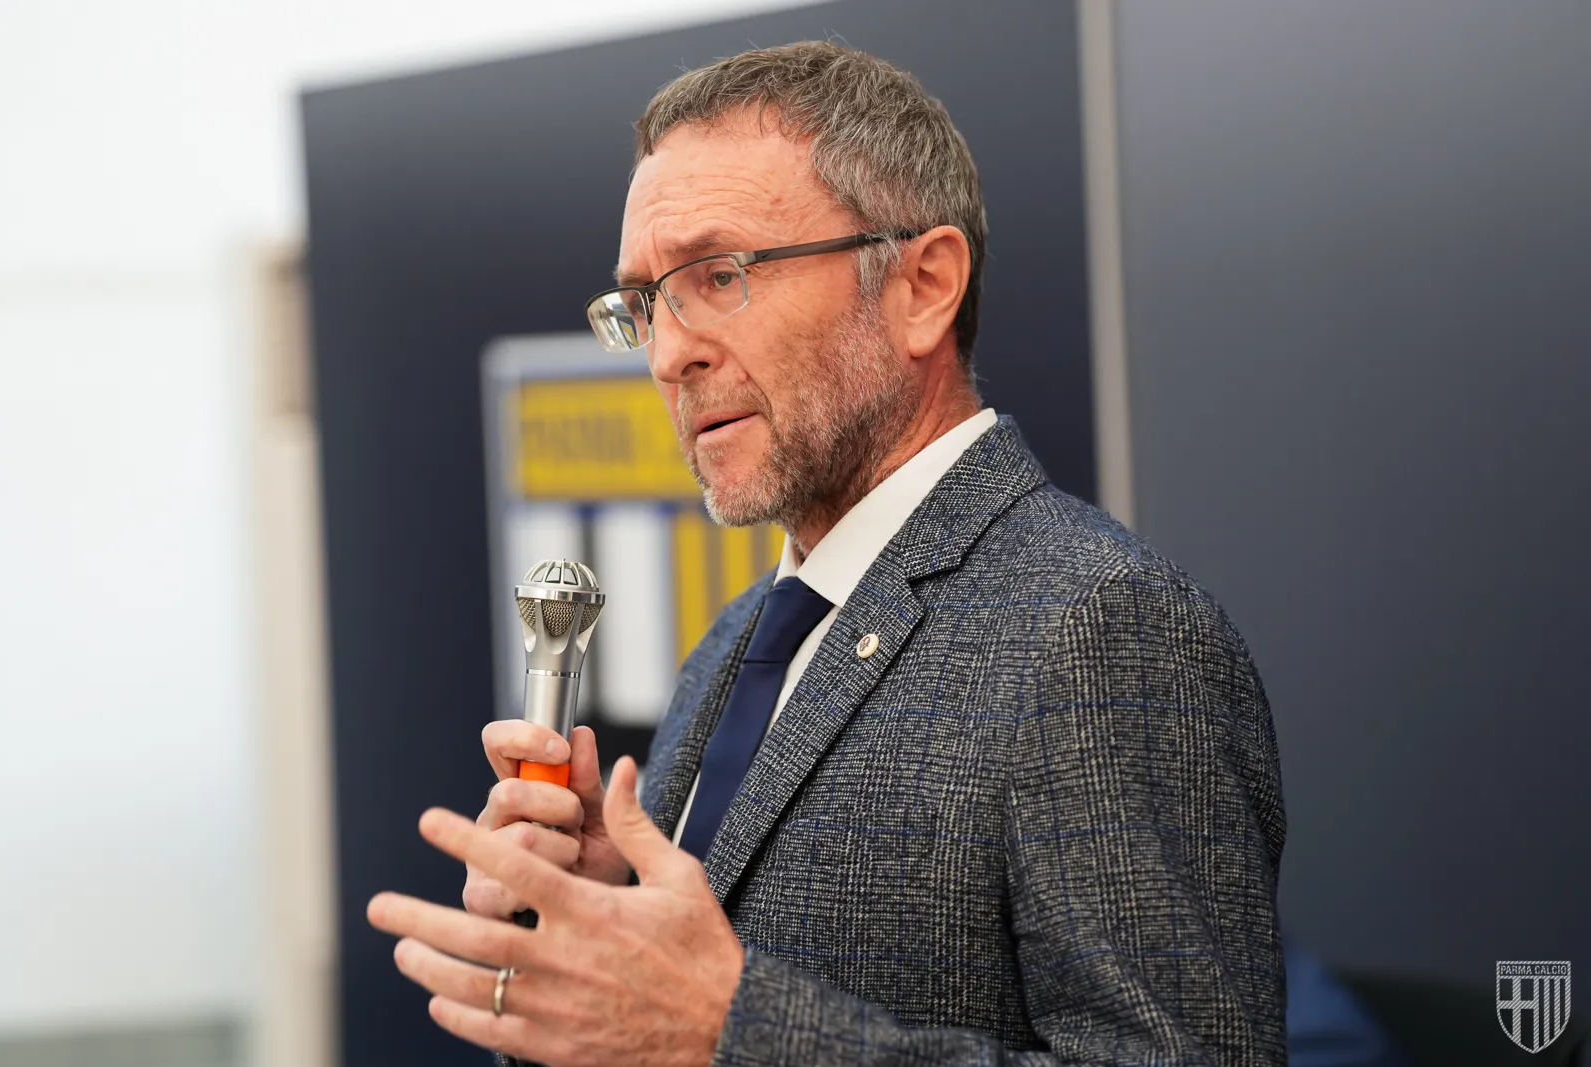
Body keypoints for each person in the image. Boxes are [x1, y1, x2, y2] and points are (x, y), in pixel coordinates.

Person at [367, 41, 1288, 1066]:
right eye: (646, 303)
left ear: (923, 285)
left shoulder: (1103, 627)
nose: (669, 353)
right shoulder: (732, 646)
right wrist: (594, 932)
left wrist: (725, 1028)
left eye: (720, 274)